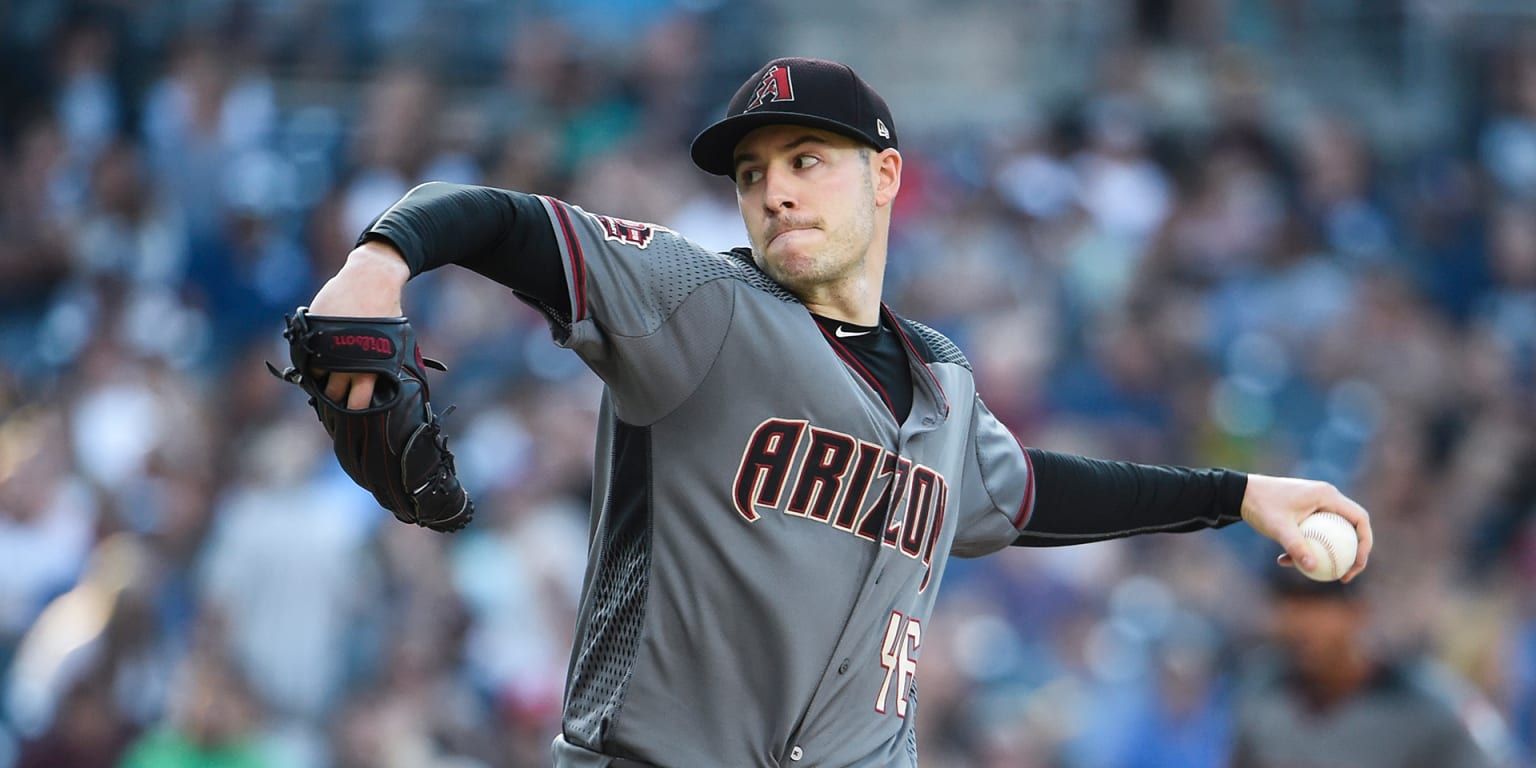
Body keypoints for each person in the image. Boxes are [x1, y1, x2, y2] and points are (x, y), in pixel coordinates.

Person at [303, 57, 1373, 767]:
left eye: (808, 161)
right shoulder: (698, 302)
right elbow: (503, 222)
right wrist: (379, 260)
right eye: (755, 172)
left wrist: (1240, 495)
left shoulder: (945, 383)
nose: (775, 190)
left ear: (886, 177)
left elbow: (1032, 492)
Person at [1231, 571, 1513, 768]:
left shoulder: (1430, 705)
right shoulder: (1261, 691)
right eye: (1291, 605)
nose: (1303, 624)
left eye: (1320, 607)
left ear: (1359, 610)